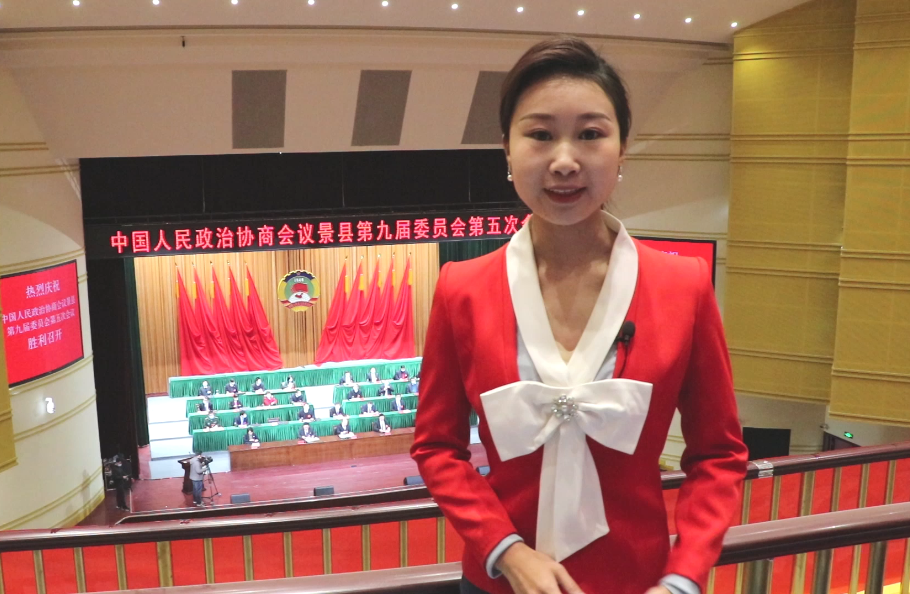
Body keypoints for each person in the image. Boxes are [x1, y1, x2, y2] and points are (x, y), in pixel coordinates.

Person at [410, 37, 747, 594]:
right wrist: (506, 550)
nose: (564, 161)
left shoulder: (683, 287)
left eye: (591, 134)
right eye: (540, 135)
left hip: (639, 582)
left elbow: (719, 455)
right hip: (500, 582)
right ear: (507, 150)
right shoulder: (460, 289)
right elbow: (437, 449)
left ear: (622, 149)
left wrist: (683, 578)